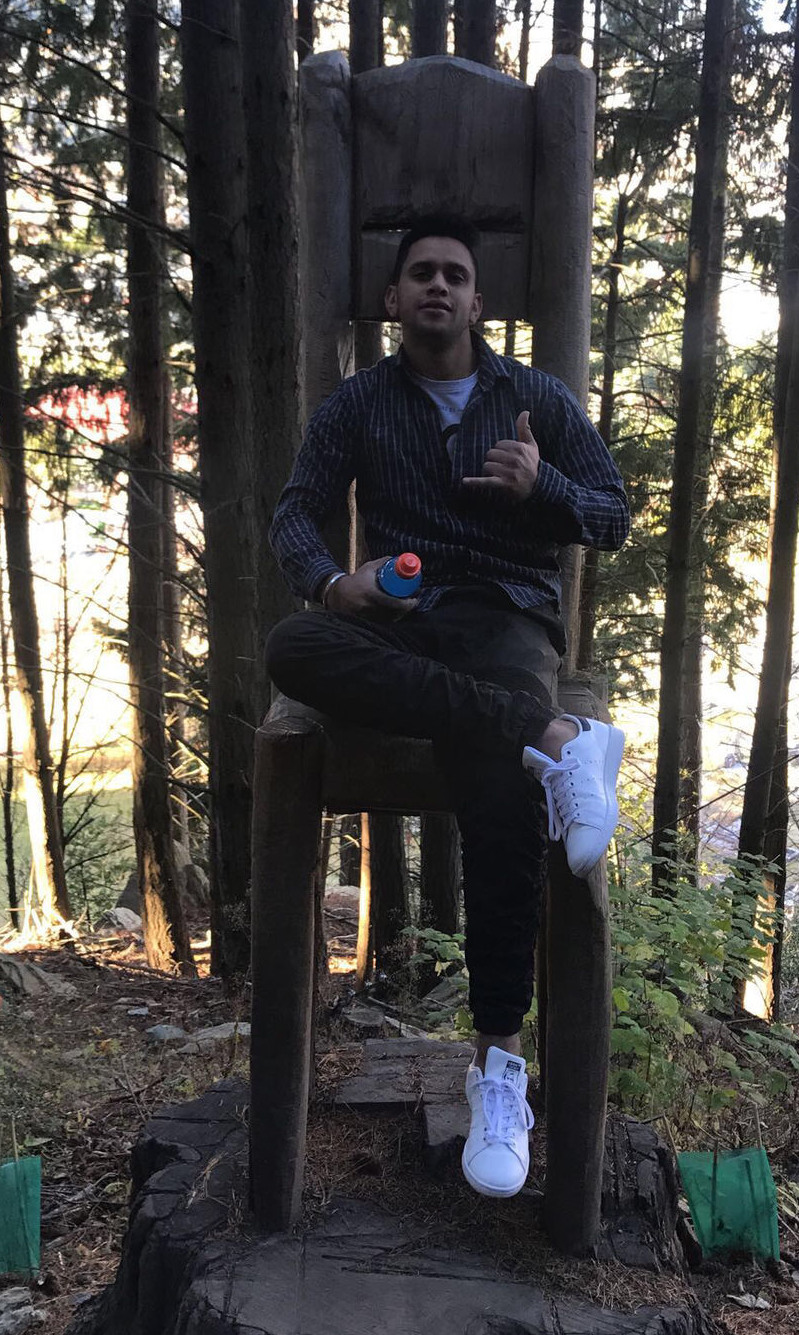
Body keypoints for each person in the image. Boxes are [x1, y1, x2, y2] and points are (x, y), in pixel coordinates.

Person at [266, 213, 629, 1202]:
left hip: (507, 619)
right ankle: (556, 737)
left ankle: (498, 1066)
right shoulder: (358, 403)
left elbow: (613, 514)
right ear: (394, 299)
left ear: (477, 301)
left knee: (500, 787)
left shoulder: (535, 399)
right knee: (295, 645)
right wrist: (332, 583)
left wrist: (542, 487)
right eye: (420, 273)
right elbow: (296, 510)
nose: (437, 285)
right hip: (401, 617)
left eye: (454, 275)